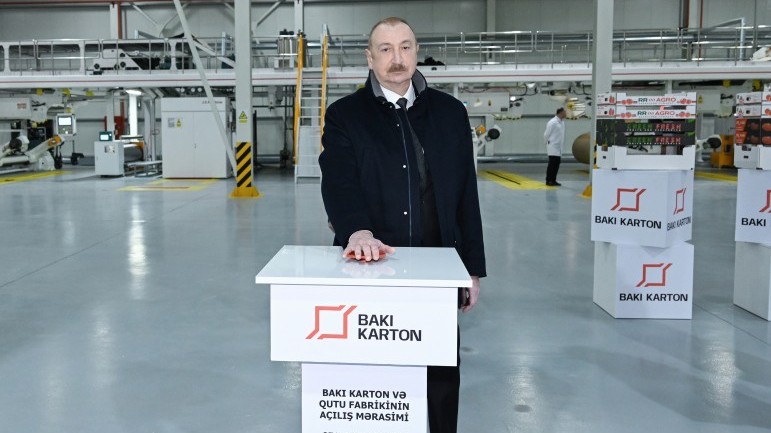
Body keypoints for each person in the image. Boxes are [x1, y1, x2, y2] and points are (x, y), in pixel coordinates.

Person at [318, 16, 486, 433]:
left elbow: (465, 193)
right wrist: (357, 230)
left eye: (405, 47)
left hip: (437, 268)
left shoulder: (450, 113)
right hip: (372, 267)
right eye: (386, 49)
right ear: (370, 58)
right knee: (376, 374)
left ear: (416, 52)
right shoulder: (345, 115)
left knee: (441, 372)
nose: (397, 58)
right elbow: (338, 181)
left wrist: (472, 268)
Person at [544, 107, 566, 186]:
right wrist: (546, 143)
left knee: (556, 164)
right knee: (552, 164)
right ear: (560, 113)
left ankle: (553, 180)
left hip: (558, 147)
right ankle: (548, 180)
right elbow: (546, 134)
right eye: (565, 112)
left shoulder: (562, 122)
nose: (566, 114)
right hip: (552, 146)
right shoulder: (552, 122)